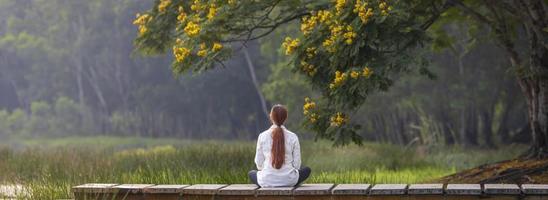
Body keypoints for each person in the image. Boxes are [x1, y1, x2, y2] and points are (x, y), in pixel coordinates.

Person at [248, 104, 311, 187]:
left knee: (251, 173)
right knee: (307, 170)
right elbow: (296, 165)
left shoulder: (262, 136)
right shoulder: (293, 137)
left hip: (266, 181)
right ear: (286, 118)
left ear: (271, 117)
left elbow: (259, 164)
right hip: (289, 180)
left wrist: (269, 171)